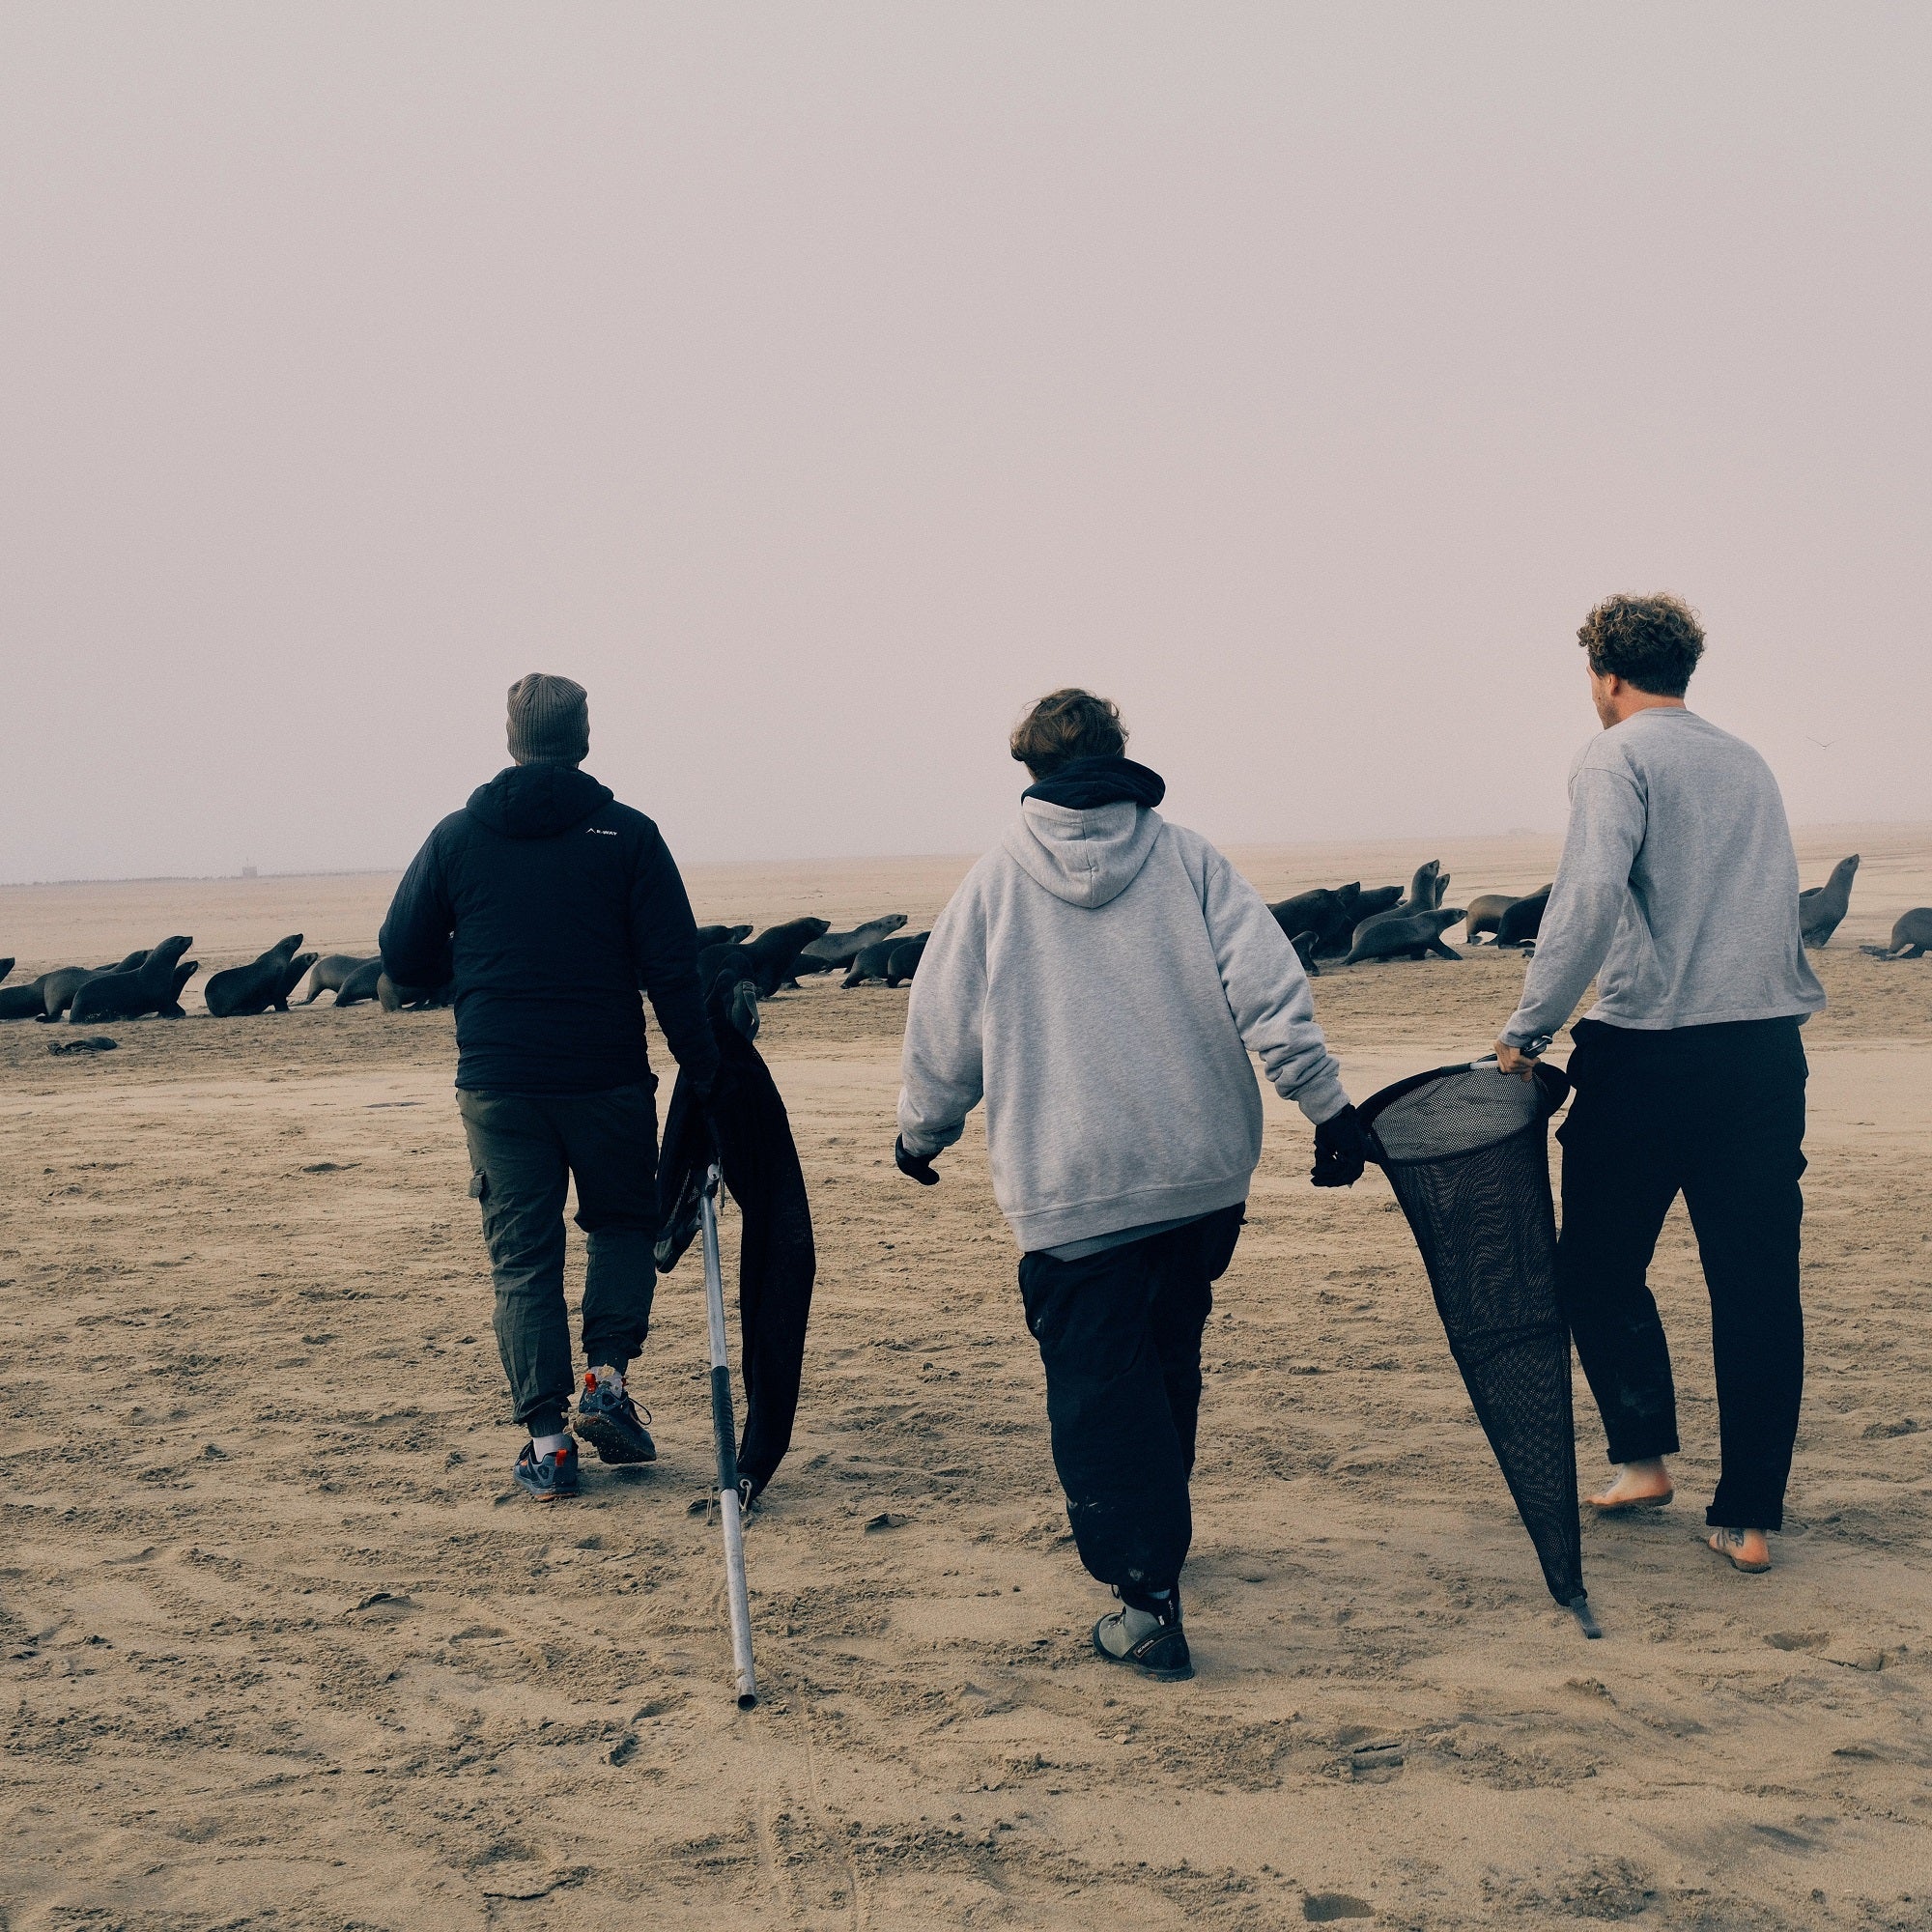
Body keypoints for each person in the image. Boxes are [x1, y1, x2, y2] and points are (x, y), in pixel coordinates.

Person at [895, 688, 1364, 1679]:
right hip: (1199, 1171)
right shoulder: (1189, 859)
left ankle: (1147, 1599)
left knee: (1099, 1389)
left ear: (1029, 769)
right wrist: (1326, 1108)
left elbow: (945, 1032)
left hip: (1071, 1182)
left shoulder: (991, 883)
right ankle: (1162, 1530)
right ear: (1115, 758)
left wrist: (920, 1131)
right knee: (1162, 1353)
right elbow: (1271, 996)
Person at [1494, 595, 1824, 1574]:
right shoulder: (1744, 759)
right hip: (1764, 1052)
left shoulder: (1614, 754)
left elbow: (1587, 895)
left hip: (1649, 1052)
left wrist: (1525, 1027)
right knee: (1755, 1286)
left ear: (1604, 675)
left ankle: (1643, 1454)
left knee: (1592, 1265)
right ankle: (1744, 1515)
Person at [382, 674, 721, 1502]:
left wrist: (465, 972)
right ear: (584, 738)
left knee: (523, 1260)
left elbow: (402, 954)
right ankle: (605, 1380)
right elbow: (672, 968)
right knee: (619, 1222)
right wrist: (705, 1070)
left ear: (510, 737)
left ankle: (549, 1445)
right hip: (605, 1075)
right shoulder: (628, 835)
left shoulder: (459, 838)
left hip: (500, 1081)